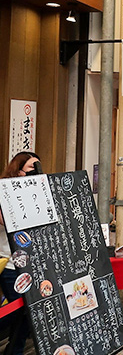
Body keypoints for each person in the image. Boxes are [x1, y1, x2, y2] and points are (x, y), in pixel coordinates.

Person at [0, 152, 39, 355]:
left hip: (30, 261)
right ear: (18, 169)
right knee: (18, 309)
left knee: (27, 310)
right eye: (32, 168)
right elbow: (7, 222)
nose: (35, 173)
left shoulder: (35, 192)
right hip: (7, 262)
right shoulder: (3, 190)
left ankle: (15, 350)